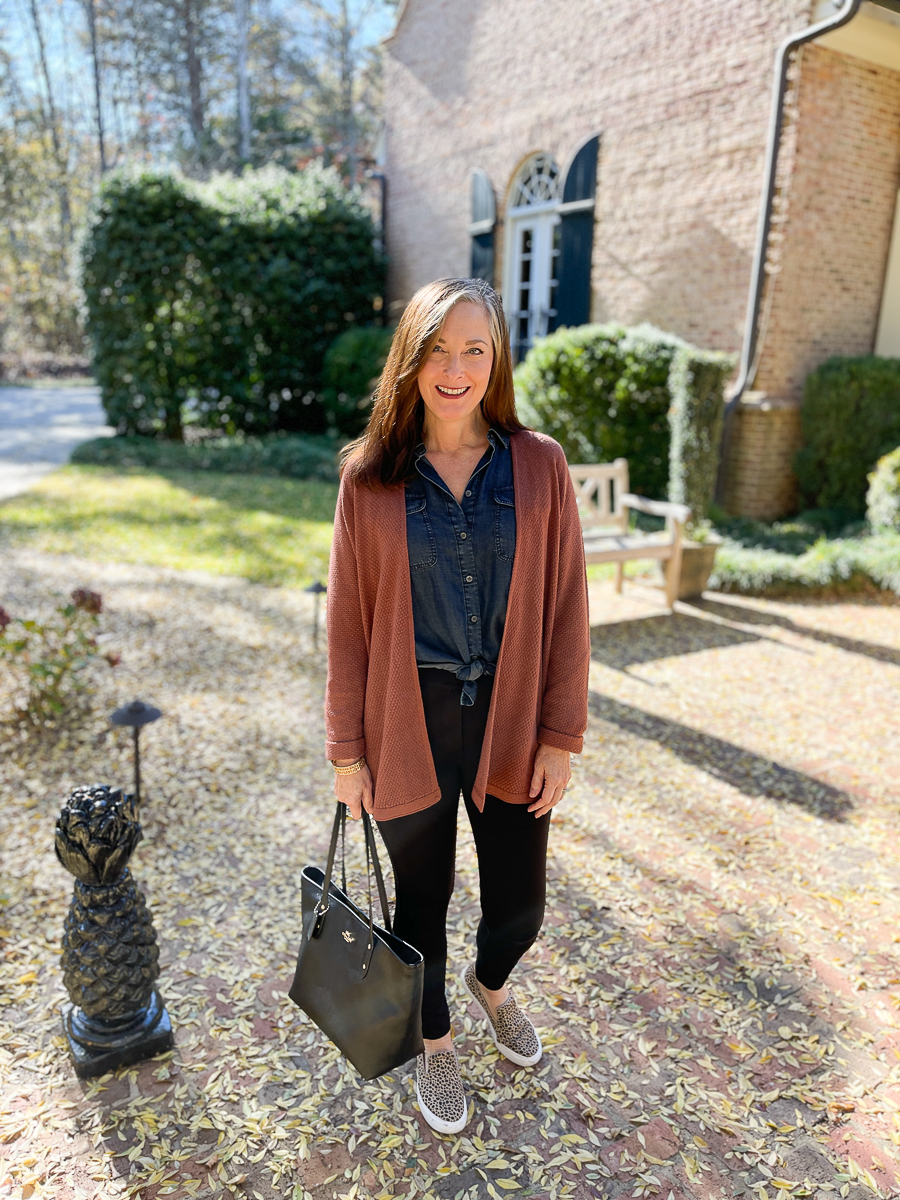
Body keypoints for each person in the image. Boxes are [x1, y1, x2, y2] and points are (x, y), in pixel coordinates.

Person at [325, 277, 590, 1134]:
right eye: (439, 349)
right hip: (412, 717)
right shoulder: (370, 480)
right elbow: (348, 630)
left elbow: (567, 609)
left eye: (475, 349)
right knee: (420, 902)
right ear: (412, 359)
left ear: (496, 359)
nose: (457, 367)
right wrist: (346, 753)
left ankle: (492, 982)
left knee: (522, 906)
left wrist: (561, 734)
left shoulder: (540, 464)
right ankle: (434, 1043)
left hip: (511, 717)